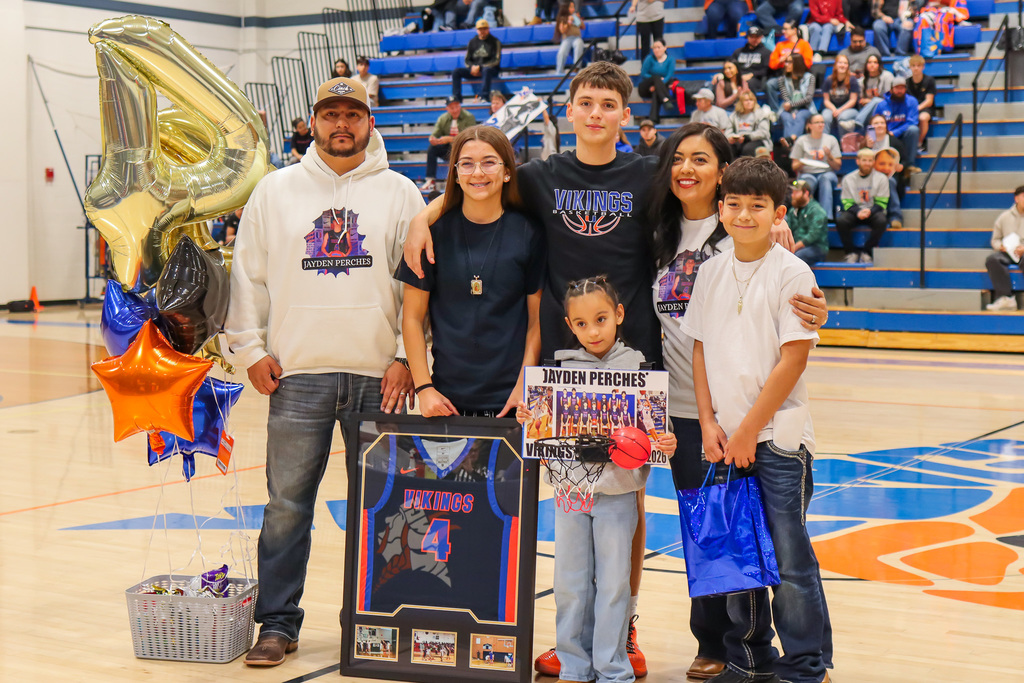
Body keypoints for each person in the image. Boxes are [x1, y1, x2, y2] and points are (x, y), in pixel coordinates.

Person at [405, 63, 676, 680]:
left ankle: (622, 628)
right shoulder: (540, 176)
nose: (597, 113)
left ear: (624, 114)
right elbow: (477, 186)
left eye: (609, 103)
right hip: (561, 367)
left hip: (630, 363)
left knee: (625, 504)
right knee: (575, 506)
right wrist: (423, 215)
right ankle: (574, 639)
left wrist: (777, 226)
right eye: (586, 102)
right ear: (571, 111)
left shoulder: (645, 174)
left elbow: (697, 208)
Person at [226, 76, 423, 667]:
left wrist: (406, 357)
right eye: (330, 114)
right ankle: (277, 624)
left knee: (387, 509)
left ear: (369, 122)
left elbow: (420, 288)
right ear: (312, 122)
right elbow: (246, 276)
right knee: (287, 506)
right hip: (298, 374)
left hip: (378, 376)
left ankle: (379, 624)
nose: (342, 124)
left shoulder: (401, 192)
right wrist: (249, 349)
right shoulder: (274, 190)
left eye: (353, 114)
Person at [647, 124, 829, 682]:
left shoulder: (792, 271)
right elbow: (699, 350)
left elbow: (792, 361)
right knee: (736, 555)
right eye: (735, 205)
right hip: (719, 435)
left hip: (776, 438)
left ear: (780, 212)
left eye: (758, 206)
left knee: (790, 560)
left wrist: (748, 429)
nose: (744, 215)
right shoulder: (708, 269)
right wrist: (708, 421)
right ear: (723, 206)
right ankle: (749, 660)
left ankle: (806, 664)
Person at [516, 277, 677, 683]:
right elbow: (540, 426)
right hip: (570, 495)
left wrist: (666, 438)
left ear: (619, 315)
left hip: (620, 496)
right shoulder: (560, 371)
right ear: (571, 326)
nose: (593, 331)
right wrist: (527, 417)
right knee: (569, 584)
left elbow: (658, 430)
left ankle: (612, 669)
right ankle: (573, 667)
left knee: (613, 586)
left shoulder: (640, 369)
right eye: (582, 323)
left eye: (601, 319)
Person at [396, 126, 543, 416]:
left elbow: (536, 323)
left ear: (507, 171)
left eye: (489, 162)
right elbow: (412, 318)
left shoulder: (530, 232)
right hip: (446, 400)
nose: (477, 173)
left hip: (514, 400)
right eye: (466, 163)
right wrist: (425, 389)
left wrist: (524, 383)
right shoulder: (428, 235)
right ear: (455, 173)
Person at [837, 148, 889, 264]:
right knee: (841, 221)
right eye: (864, 160)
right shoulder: (848, 179)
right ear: (858, 161)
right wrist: (858, 212)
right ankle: (851, 253)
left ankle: (867, 252)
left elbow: (882, 202)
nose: (867, 163)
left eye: (870, 160)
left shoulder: (882, 178)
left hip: (873, 211)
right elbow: (847, 202)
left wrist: (869, 211)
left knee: (881, 221)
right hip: (855, 211)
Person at [421, 98, 477, 192]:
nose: (455, 110)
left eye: (457, 107)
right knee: (432, 149)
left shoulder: (469, 117)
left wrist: (451, 139)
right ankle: (430, 180)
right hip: (448, 148)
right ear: (447, 108)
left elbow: (471, 137)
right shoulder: (443, 118)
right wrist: (433, 138)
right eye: (452, 108)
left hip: (464, 147)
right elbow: (436, 132)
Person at [791, 113, 841, 219]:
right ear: (809, 125)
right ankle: (805, 215)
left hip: (827, 172)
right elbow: (794, 166)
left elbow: (837, 166)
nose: (821, 125)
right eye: (817, 122)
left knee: (825, 179)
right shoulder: (801, 140)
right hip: (807, 172)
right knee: (805, 182)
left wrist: (829, 155)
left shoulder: (831, 140)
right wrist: (803, 161)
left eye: (822, 122)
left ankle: (825, 217)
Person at [984, 185, 1024, 311]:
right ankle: (1006, 298)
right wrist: (1000, 246)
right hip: (1008, 253)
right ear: (1016, 199)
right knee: (992, 259)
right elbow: (995, 240)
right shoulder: (1004, 217)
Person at [872, 76, 920, 169]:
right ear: (891, 90)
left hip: (903, 133)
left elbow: (912, 121)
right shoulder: (882, 105)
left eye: (902, 88)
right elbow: (873, 122)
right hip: (886, 135)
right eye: (897, 88)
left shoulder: (912, 101)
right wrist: (871, 137)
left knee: (914, 130)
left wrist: (895, 132)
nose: (900, 91)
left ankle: (910, 165)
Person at [451, 19, 502, 102]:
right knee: (456, 72)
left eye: (484, 29)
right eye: (480, 29)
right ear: (477, 30)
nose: (482, 31)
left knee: (487, 70)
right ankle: (457, 98)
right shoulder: (472, 42)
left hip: (490, 69)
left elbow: (496, 60)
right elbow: (467, 60)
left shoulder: (495, 41)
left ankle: (484, 96)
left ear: (488, 29)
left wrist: (480, 67)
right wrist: (472, 67)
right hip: (474, 70)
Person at [772, 54, 816, 145]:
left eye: (789, 62)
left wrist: (793, 107)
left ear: (797, 63)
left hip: (806, 108)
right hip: (787, 109)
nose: (786, 64)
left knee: (800, 115)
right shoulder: (782, 80)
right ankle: (791, 142)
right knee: (786, 117)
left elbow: (808, 98)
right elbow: (785, 98)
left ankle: (789, 141)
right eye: (786, 62)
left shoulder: (810, 77)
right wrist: (792, 110)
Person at [788, 179, 830, 265]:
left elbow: (813, 235)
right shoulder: (792, 211)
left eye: (796, 192)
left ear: (806, 193)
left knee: (797, 257)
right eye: (792, 192)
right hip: (796, 247)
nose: (793, 195)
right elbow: (789, 230)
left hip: (816, 247)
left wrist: (794, 248)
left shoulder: (817, 210)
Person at [820, 53, 860, 134]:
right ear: (835, 65)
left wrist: (840, 110)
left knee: (842, 117)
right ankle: (825, 143)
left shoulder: (852, 80)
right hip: (832, 108)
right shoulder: (828, 80)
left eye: (845, 63)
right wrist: (834, 109)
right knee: (825, 117)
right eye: (840, 63)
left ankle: (843, 144)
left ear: (848, 66)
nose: (842, 65)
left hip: (849, 109)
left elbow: (853, 100)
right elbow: (826, 100)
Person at [638, 39, 676, 124]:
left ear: (665, 48)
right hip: (646, 87)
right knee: (656, 77)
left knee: (656, 91)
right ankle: (666, 99)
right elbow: (643, 73)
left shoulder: (670, 59)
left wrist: (657, 84)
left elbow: (669, 75)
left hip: (659, 88)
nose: (656, 50)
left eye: (658, 47)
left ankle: (653, 119)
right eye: (654, 48)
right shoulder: (649, 58)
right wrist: (656, 81)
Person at [727, 89, 773, 158]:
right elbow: (728, 131)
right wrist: (731, 137)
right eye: (746, 100)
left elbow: (763, 132)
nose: (749, 102)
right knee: (729, 148)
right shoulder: (734, 116)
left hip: (756, 140)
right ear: (741, 102)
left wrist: (747, 137)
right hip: (739, 140)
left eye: (751, 100)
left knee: (747, 149)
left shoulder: (761, 114)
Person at [853, 54, 893, 130]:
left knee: (876, 100)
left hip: (885, 108)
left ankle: (858, 121)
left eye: (875, 62)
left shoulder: (887, 76)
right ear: (866, 65)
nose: (872, 65)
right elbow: (861, 100)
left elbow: (889, 98)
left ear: (879, 65)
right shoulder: (862, 81)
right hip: (868, 109)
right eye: (870, 62)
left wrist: (870, 101)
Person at [728, 26, 772, 92]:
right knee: (722, 82)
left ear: (761, 37)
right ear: (747, 37)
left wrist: (752, 74)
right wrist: (722, 74)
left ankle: (750, 101)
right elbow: (729, 64)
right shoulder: (738, 52)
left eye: (757, 37)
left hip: (756, 79)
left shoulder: (766, 52)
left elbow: (767, 70)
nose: (754, 39)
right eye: (752, 37)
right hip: (738, 77)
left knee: (748, 83)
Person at [906, 55, 936, 152]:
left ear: (923, 67)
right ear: (910, 67)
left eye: (918, 66)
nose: (916, 68)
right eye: (913, 65)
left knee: (922, 118)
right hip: (911, 108)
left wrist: (917, 109)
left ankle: (919, 142)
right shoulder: (906, 82)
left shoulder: (929, 80)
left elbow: (929, 101)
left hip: (925, 108)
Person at [555, 1, 586, 75]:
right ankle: (559, 71)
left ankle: (576, 67)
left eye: (573, 7)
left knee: (579, 44)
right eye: (571, 7)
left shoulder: (575, 17)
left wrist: (579, 19)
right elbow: (562, 30)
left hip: (576, 38)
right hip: (567, 38)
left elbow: (583, 27)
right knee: (562, 52)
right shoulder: (563, 18)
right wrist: (568, 22)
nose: (573, 9)